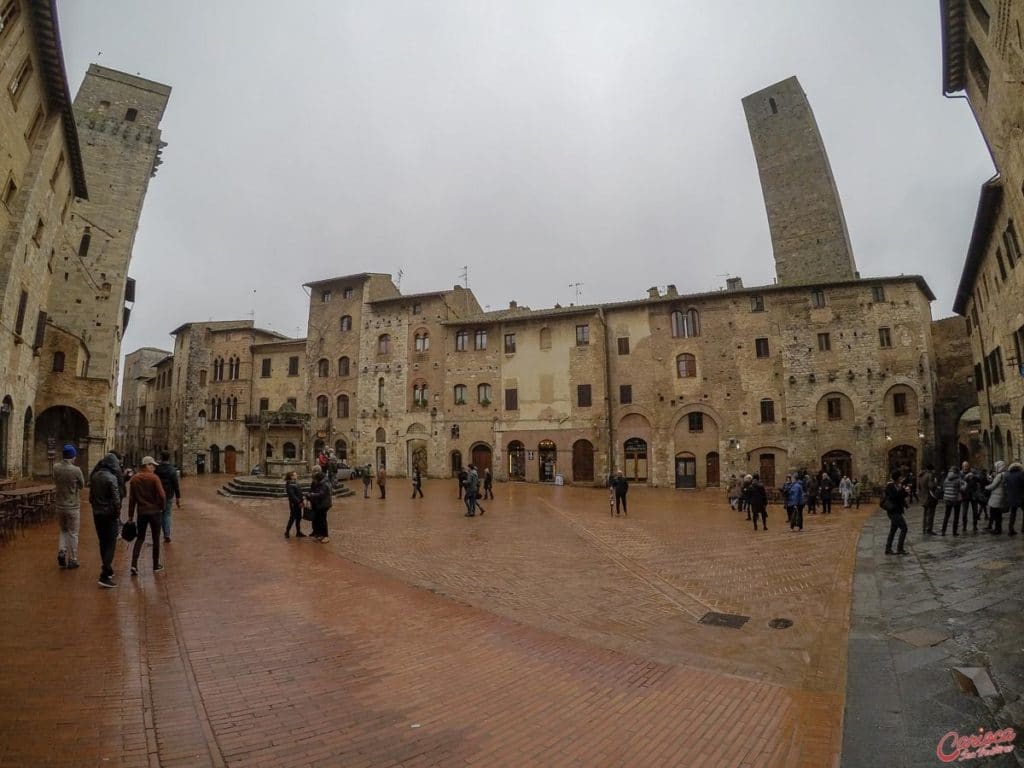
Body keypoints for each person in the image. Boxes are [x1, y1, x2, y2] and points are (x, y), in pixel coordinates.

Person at [128, 456, 167, 576]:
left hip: (142, 512)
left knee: (140, 538)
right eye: (153, 465)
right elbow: (162, 495)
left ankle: (134, 564)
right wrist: (162, 507)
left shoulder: (134, 479)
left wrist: (130, 516)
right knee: (156, 539)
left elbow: (132, 499)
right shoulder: (154, 478)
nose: (154, 468)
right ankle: (155, 565)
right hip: (155, 512)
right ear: (147, 465)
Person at [89, 452, 123, 588]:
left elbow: (91, 497)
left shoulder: (95, 476)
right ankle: (104, 574)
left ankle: (108, 570)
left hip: (97, 514)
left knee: (102, 542)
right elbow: (116, 500)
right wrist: (117, 514)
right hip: (109, 515)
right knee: (111, 543)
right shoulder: (112, 478)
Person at [53, 444, 85, 570]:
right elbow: (82, 485)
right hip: (72, 506)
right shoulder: (76, 470)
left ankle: (62, 551)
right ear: (72, 456)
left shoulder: (55, 467)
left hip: (59, 505)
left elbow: (54, 479)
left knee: (63, 530)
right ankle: (73, 559)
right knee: (73, 533)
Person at [154, 451, 181, 543]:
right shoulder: (172, 470)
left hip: (158, 495)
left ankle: (158, 533)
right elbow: (176, 484)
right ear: (169, 458)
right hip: (169, 495)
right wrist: (178, 497)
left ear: (161, 458)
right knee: (167, 515)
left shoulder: (157, 469)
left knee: (159, 514)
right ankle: (167, 534)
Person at [883, 469, 909, 555]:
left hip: (897, 510)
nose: (901, 478)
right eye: (900, 477)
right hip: (893, 511)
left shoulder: (897, 486)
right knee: (904, 528)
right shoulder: (890, 486)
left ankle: (888, 548)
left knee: (893, 530)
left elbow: (900, 497)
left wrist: (905, 492)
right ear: (897, 478)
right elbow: (894, 497)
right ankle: (899, 548)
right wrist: (903, 490)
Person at [306, 468, 332, 542]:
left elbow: (321, 494)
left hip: (324, 504)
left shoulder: (324, 484)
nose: (314, 481)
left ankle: (326, 536)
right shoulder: (322, 482)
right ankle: (320, 534)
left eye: (315, 479)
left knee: (323, 520)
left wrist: (311, 495)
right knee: (319, 520)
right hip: (320, 504)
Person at [940, 466, 966, 535]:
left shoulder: (946, 478)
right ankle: (954, 532)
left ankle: (943, 531)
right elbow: (962, 489)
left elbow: (944, 488)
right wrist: (965, 484)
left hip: (947, 499)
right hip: (955, 499)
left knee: (946, 515)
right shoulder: (958, 479)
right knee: (956, 516)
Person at [985, 460, 1008, 534]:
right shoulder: (1005, 474)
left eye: (996, 466)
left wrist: (986, 487)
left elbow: (993, 485)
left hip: (997, 497)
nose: (995, 468)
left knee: (996, 514)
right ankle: (997, 528)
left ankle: (997, 529)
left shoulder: (999, 475)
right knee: (998, 514)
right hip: (1001, 496)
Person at [918, 464, 939, 535]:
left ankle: (924, 528)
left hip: (923, 497)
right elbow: (931, 486)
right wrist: (935, 483)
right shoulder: (930, 475)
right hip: (930, 498)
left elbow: (919, 487)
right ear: (932, 469)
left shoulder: (921, 475)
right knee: (930, 514)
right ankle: (929, 529)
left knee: (925, 514)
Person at [284, 471, 305, 538]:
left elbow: (299, 492)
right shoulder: (290, 484)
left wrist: (302, 500)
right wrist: (299, 502)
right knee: (292, 518)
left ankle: (298, 532)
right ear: (291, 476)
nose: (296, 476)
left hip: (298, 503)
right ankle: (287, 531)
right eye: (295, 475)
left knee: (298, 517)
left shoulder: (295, 483)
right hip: (294, 504)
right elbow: (292, 495)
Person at [1005, 462, 1024, 536]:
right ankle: (1023, 528)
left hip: (1011, 497)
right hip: (1021, 497)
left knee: (1013, 513)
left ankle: (1010, 529)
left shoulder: (1008, 475)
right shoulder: (1021, 474)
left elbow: (1006, 485)